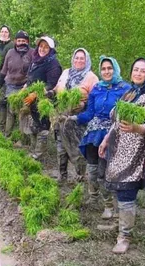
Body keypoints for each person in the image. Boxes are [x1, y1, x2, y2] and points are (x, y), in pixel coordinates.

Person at [98, 57, 145, 254]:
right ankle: (118, 224)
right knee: (117, 188)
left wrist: (136, 127)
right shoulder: (128, 93)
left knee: (127, 192)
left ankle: (124, 237)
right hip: (119, 150)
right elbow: (115, 121)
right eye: (136, 69)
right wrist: (106, 140)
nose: (138, 73)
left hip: (137, 153)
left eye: (143, 71)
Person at [68, 56, 131, 221]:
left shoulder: (125, 89)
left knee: (105, 172)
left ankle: (110, 207)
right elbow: (90, 113)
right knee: (92, 170)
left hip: (111, 134)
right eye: (103, 69)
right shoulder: (97, 88)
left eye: (109, 68)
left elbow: (125, 116)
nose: (106, 71)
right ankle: (97, 198)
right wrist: (74, 118)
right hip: (92, 134)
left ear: (115, 69)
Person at [53, 48, 99, 183]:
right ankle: (63, 175)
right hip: (61, 114)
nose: (78, 60)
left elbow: (95, 100)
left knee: (76, 147)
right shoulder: (66, 72)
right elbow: (57, 88)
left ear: (87, 60)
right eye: (76, 58)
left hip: (78, 119)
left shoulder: (92, 77)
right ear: (73, 59)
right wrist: (49, 93)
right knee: (60, 146)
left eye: (82, 58)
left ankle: (80, 176)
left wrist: (84, 105)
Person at [23, 36, 62, 159]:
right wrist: (25, 87)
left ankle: (39, 155)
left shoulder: (53, 64)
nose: (42, 49)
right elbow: (30, 77)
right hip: (31, 100)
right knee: (34, 124)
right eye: (41, 46)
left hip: (44, 101)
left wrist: (35, 93)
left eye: (46, 47)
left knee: (43, 125)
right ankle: (33, 150)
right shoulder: (35, 60)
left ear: (51, 49)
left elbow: (52, 84)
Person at [0, 30, 34, 136]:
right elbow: (4, 69)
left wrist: (28, 85)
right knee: (11, 110)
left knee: (23, 112)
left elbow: (34, 71)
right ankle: (7, 133)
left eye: (23, 40)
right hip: (11, 85)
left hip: (24, 86)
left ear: (27, 42)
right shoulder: (10, 52)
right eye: (19, 40)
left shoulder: (32, 53)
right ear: (15, 41)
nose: (21, 42)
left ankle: (21, 136)